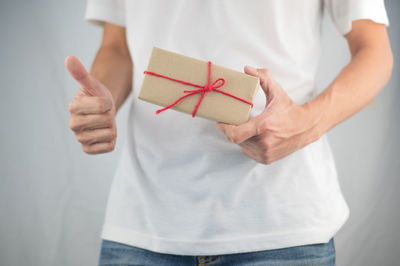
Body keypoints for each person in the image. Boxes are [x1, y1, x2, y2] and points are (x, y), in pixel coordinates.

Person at [65, 1, 393, 265]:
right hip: (144, 222)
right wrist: (101, 98)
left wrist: (306, 123)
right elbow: (117, 47)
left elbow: (374, 50)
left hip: (281, 224)